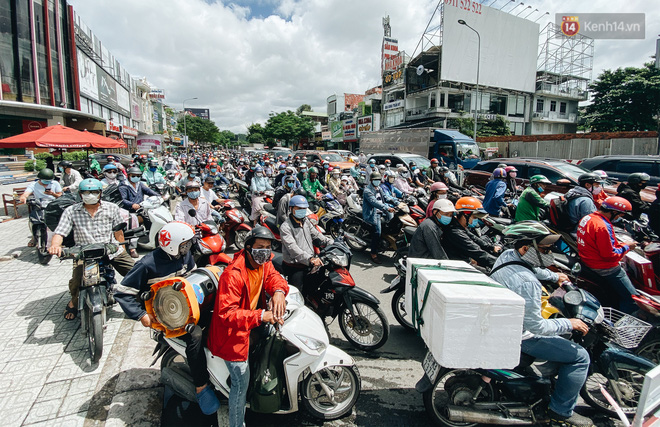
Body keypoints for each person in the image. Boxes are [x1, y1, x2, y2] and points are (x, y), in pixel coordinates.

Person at [490, 222, 592, 427]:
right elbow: (538, 327)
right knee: (581, 357)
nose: (548, 254)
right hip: (521, 335)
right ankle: (561, 411)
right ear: (526, 249)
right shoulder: (527, 283)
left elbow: (532, 269)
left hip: (501, 322)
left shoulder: (507, 256)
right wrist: (569, 323)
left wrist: (556, 277)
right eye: (544, 250)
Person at [113, 221, 220, 414]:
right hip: (167, 317)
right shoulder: (147, 263)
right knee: (195, 336)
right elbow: (122, 292)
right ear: (172, 244)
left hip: (188, 306)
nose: (188, 247)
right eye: (185, 244)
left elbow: (192, 275)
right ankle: (201, 387)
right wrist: (141, 315)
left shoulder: (183, 254)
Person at [206, 226, 288, 427]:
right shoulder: (232, 275)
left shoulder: (264, 263)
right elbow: (227, 314)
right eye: (260, 247)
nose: (265, 252)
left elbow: (273, 277)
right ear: (249, 247)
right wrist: (261, 315)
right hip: (231, 337)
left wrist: (278, 290)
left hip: (249, 326)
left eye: (268, 247)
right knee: (240, 384)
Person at [48, 179, 135, 320]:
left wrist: (122, 248)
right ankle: (73, 302)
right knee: (77, 281)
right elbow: (60, 232)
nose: (90, 195)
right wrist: (55, 245)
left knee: (136, 272)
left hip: (110, 250)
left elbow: (118, 231)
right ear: (80, 194)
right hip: (85, 254)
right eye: (86, 192)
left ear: (100, 193)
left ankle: (144, 299)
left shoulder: (112, 208)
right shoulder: (71, 211)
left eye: (94, 192)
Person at [577, 196, 638, 314]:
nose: (620, 218)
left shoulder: (587, 218)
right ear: (614, 212)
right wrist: (627, 247)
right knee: (632, 299)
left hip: (588, 260)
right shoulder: (602, 226)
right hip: (605, 267)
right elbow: (610, 255)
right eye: (620, 215)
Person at [280, 195, 333, 294]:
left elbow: (317, 235)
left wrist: (333, 243)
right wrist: (310, 259)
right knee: (298, 294)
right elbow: (293, 248)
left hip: (310, 262)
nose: (302, 211)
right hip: (295, 266)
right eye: (299, 208)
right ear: (291, 209)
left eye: (304, 208)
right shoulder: (286, 227)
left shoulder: (305, 221)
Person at [442, 197, 497, 269]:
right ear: (465, 215)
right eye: (474, 217)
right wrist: (498, 263)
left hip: (464, 262)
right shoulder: (455, 231)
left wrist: (492, 247)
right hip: (456, 266)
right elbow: (475, 251)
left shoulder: (460, 227)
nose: (476, 220)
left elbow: (474, 238)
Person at [21, 168, 62, 246]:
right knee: (33, 220)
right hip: (38, 205)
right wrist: (24, 197)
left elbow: (60, 195)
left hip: (52, 204)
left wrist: (52, 194)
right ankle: (33, 237)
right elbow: (27, 192)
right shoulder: (34, 184)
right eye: (45, 180)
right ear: (40, 178)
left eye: (49, 180)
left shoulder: (55, 183)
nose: (47, 183)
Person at [363, 172, 395, 264]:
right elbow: (374, 202)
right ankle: (373, 253)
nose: (377, 181)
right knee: (377, 232)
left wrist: (396, 202)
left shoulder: (379, 188)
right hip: (373, 213)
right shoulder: (367, 191)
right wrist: (387, 208)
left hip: (382, 211)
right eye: (375, 180)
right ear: (371, 180)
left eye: (378, 180)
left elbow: (386, 197)